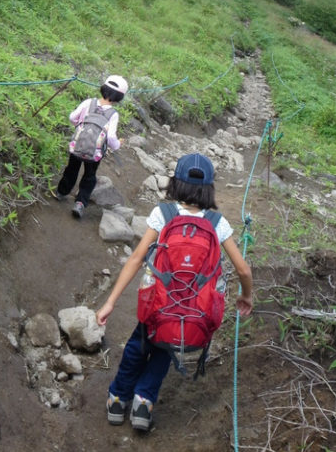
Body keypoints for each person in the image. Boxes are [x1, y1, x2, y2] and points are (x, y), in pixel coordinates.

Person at [96, 152, 254, 432]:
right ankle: (143, 404)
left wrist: (110, 302)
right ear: (209, 188)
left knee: (139, 344)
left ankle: (118, 400)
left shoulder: (163, 214)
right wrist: (246, 295)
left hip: (156, 304)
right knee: (166, 348)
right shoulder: (218, 224)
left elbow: (135, 260)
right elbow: (243, 270)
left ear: (176, 183)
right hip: (192, 309)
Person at [54, 74, 128, 219]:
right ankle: (80, 203)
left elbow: (72, 117)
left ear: (103, 88)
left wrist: (79, 126)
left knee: (71, 169)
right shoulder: (113, 114)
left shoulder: (89, 102)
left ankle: (61, 192)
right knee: (89, 176)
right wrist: (118, 144)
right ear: (120, 97)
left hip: (77, 145)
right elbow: (111, 137)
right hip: (95, 152)